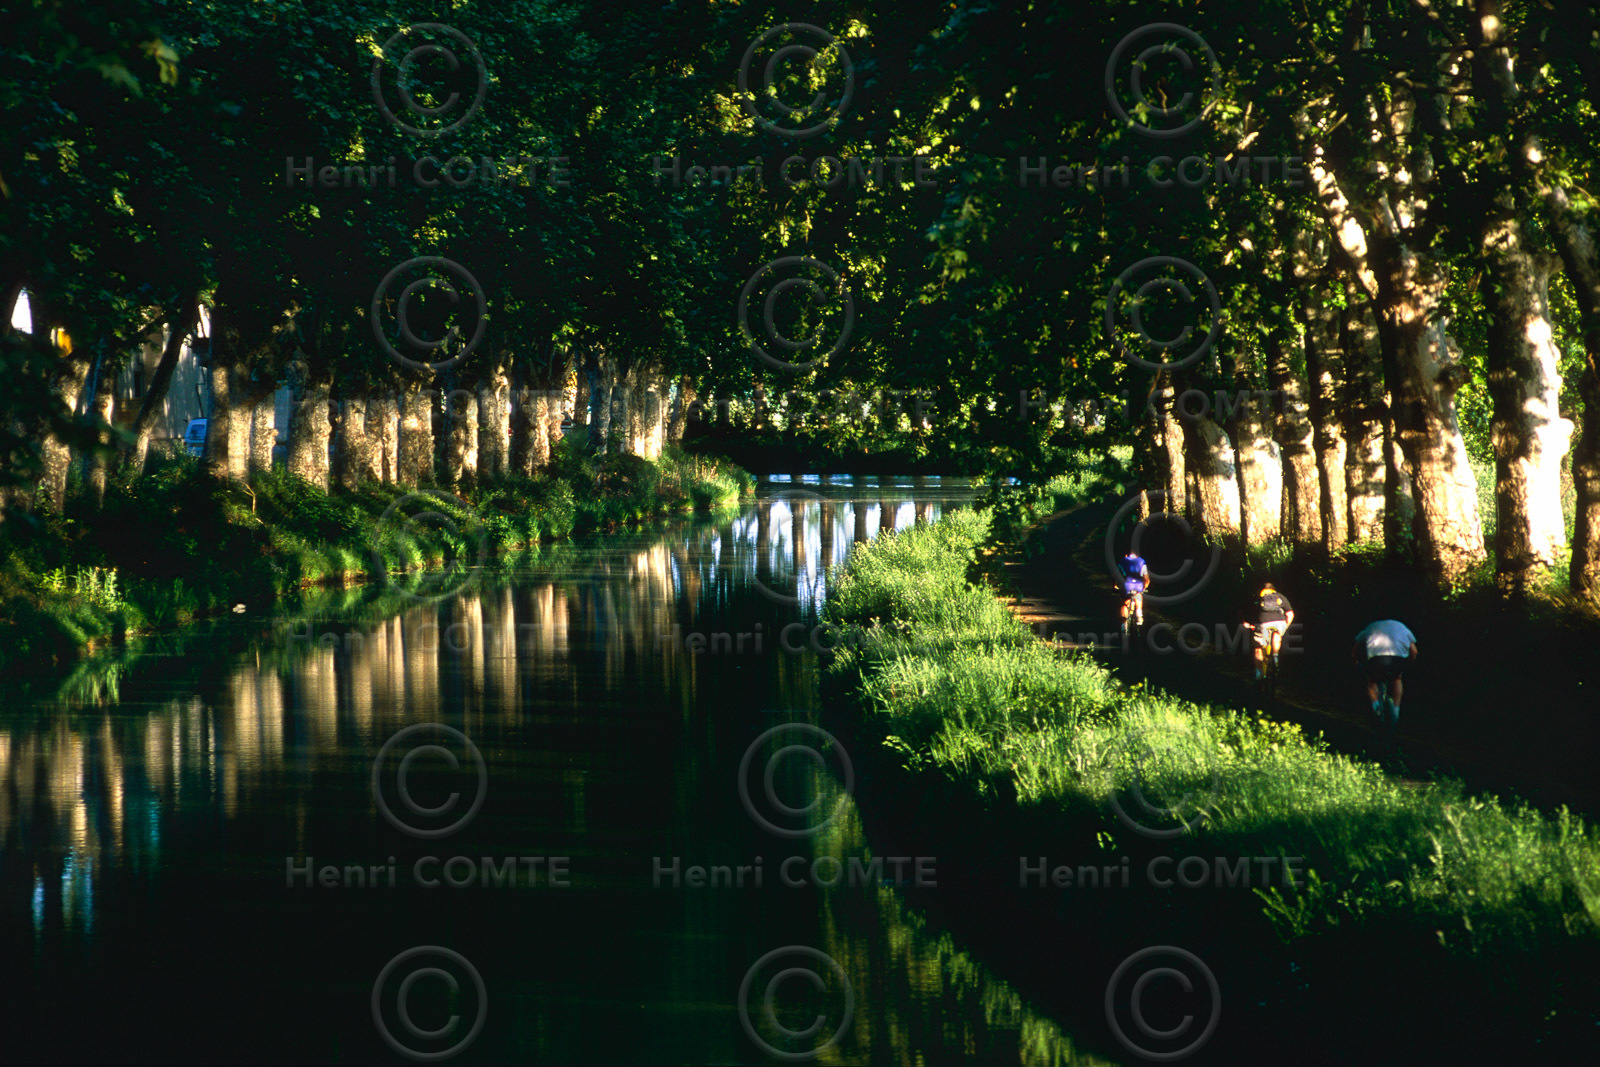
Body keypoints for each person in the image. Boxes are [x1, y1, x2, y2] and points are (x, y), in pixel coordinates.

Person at [1352, 618, 1418, 725]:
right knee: (1397, 679)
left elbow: (1356, 648)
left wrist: (1355, 662)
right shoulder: (1402, 627)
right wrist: (1408, 663)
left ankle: (1376, 706)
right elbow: (1414, 651)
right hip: (1397, 659)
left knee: (1372, 681)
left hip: (1376, 660)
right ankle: (1396, 710)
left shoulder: (1371, 626)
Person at [1245, 581, 1294, 681]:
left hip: (1263, 623)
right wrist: (1285, 627)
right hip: (1279, 622)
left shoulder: (1258, 597)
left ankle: (1258, 674)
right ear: (1274, 589)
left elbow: (1249, 612)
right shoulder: (1280, 597)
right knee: (1277, 635)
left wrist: (1248, 624)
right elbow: (1290, 614)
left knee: (1258, 647)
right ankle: (1275, 658)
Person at [1116, 550, 1149, 627]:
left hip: (1127, 585)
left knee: (1124, 602)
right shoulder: (1142, 561)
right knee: (1138, 594)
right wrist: (1145, 587)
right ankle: (1139, 615)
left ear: (1126, 555)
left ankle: (1123, 625)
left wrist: (1115, 585)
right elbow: (1147, 579)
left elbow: (1117, 576)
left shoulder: (1122, 561)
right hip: (1138, 585)